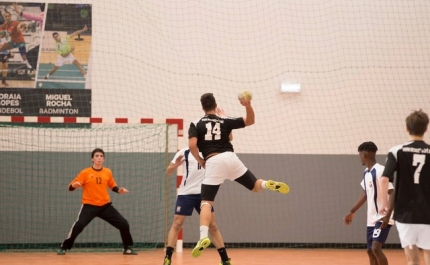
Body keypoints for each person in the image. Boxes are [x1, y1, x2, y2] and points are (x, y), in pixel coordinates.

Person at [188, 93, 290, 258]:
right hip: (231, 158)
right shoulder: (224, 120)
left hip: (214, 161)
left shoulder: (195, 123)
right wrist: (247, 105)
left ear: (202, 107)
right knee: (256, 186)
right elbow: (249, 122)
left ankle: (203, 237)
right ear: (215, 104)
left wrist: (200, 159)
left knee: (206, 202)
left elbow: (192, 144)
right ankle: (266, 183)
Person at [57, 148, 137, 255]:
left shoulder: (107, 172)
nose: (99, 158)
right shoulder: (85, 172)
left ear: (103, 159)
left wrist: (119, 190)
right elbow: (70, 187)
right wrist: (74, 185)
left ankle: (127, 247)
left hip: (105, 206)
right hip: (89, 206)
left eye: (101, 156)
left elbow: (112, 185)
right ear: (92, 159)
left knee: (123, 223)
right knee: (79, 225)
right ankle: (64, 247)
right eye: (96, 156)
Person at [164, 146, 232, 265]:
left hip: (204, 194)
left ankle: (225, 259)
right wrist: (175, 165)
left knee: (213, 226)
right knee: (177, 224)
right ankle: (167, 258)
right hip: (185, 193)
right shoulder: (183, 152)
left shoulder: (210, 151)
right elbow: (168, 171)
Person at [379, 109, 430, 265]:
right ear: (426, 128)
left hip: (405, 214)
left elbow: (384, 179)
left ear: (406, 128)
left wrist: (384, 203)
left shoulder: (396, 151)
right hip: (428, 212)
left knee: (412, 259)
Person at [343, 141, 394, 265]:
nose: (360, 157)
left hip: (382, 216)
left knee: (376, 247)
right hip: (371, 219)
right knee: (370, 251)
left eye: (360, 155)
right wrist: (352, 211)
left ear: (364, 155)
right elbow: (365, 193)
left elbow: (392, 192)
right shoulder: (366, 173)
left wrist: (387, 216)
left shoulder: (381, 170)